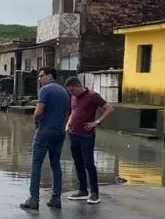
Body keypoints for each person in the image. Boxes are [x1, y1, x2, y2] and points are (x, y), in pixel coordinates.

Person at [20, 67, 71, 210]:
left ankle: (34, 199)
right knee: (56, 164)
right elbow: (67, 115)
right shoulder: (64, 92)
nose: (39, 79)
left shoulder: (45, 90)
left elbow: (38, 112)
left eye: (41, 76)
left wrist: (36, 123)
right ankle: (56, 198)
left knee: (36, 164)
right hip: (59, 132)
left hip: (44, 132)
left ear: (50, 76)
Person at [63, 76, 115, 204]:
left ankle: (94, 193)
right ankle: (82, 190)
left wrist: (97, 122)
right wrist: (68, 124)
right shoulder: (73, 97)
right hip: (73, 134)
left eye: (72, 90)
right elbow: (73, 112)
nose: (71, 93)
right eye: (69, 91)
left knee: (89, 163)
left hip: (86, 135)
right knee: (78, 163)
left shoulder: (93, 96)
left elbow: (110, 108)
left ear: (79, 86)